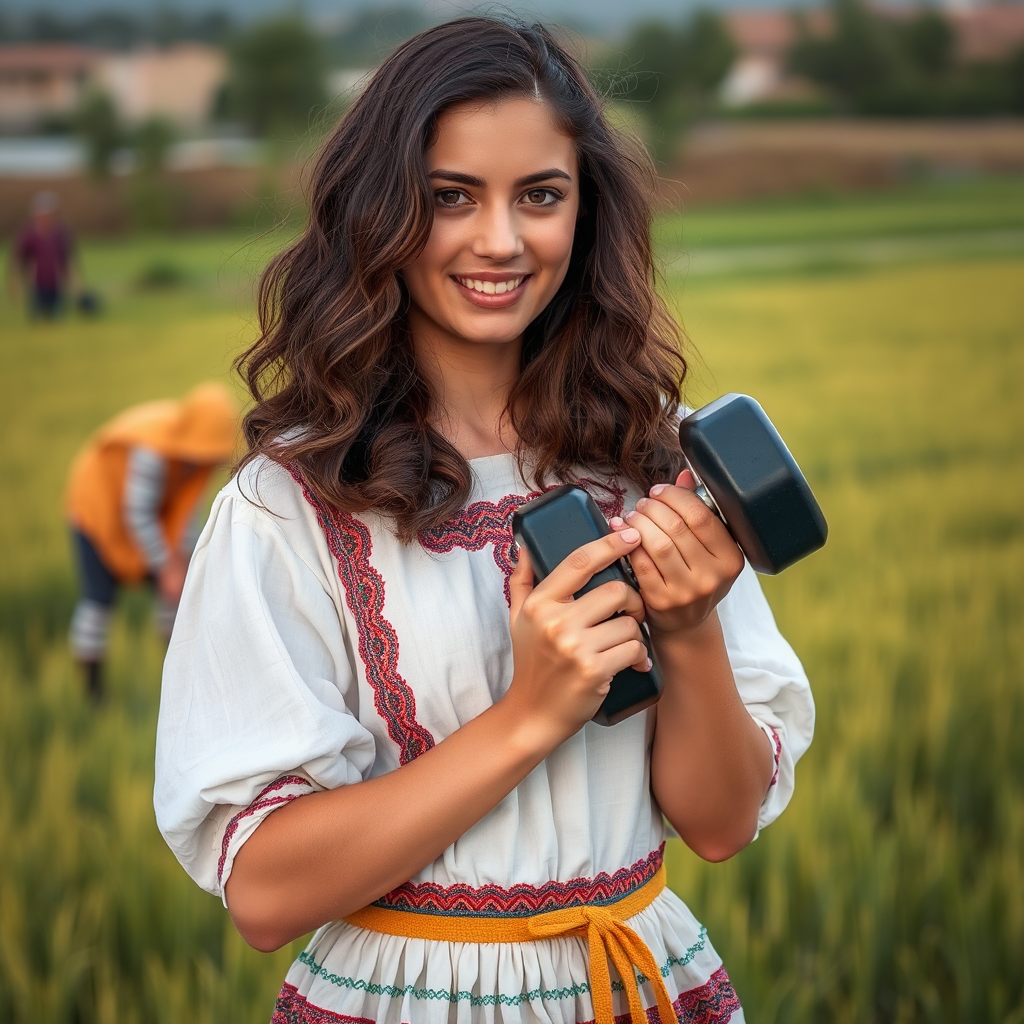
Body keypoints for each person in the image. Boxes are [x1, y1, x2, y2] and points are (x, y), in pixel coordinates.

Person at [155, 19, 814, 1024]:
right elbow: (266, 893)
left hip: (635, 985)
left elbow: (718, 824)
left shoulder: (656, 458)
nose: (500, 241)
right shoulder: (289, 504)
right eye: (450, 196)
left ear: (584, 212)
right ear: (381, 212)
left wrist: (686, 627)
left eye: (539, 196)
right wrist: (530, 715)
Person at [67, 382, 238, 702]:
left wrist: (182, 562)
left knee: (175, 595)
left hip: (145, 520)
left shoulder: (195, 461)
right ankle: (92, 693)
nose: (211, 460)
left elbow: (187, 512)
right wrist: (165, 565)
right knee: (98, 600)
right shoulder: (153, 450)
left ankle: (177, 678)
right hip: (97, 512)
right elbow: (138, 512)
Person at [13, 190, 76, 319]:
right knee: (37, 319)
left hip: (57, 285)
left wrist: (76, 283)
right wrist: (15, 284)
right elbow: (19, 261)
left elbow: (68, 260)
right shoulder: (28, 234)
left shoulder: (62, 233)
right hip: (36, 286)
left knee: (56, 320)